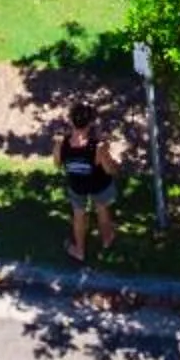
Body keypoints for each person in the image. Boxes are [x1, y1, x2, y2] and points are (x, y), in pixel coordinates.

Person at [56, 100, 118, 263]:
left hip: (77, 185)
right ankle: (107, 239)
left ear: (70, 121)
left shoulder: (61, 143)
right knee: (102, 210)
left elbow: (57, 164)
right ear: (91, 122)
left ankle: (79, 251)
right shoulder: (98, 147)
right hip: (99, 185)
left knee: (79, 215)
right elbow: (110, 169)